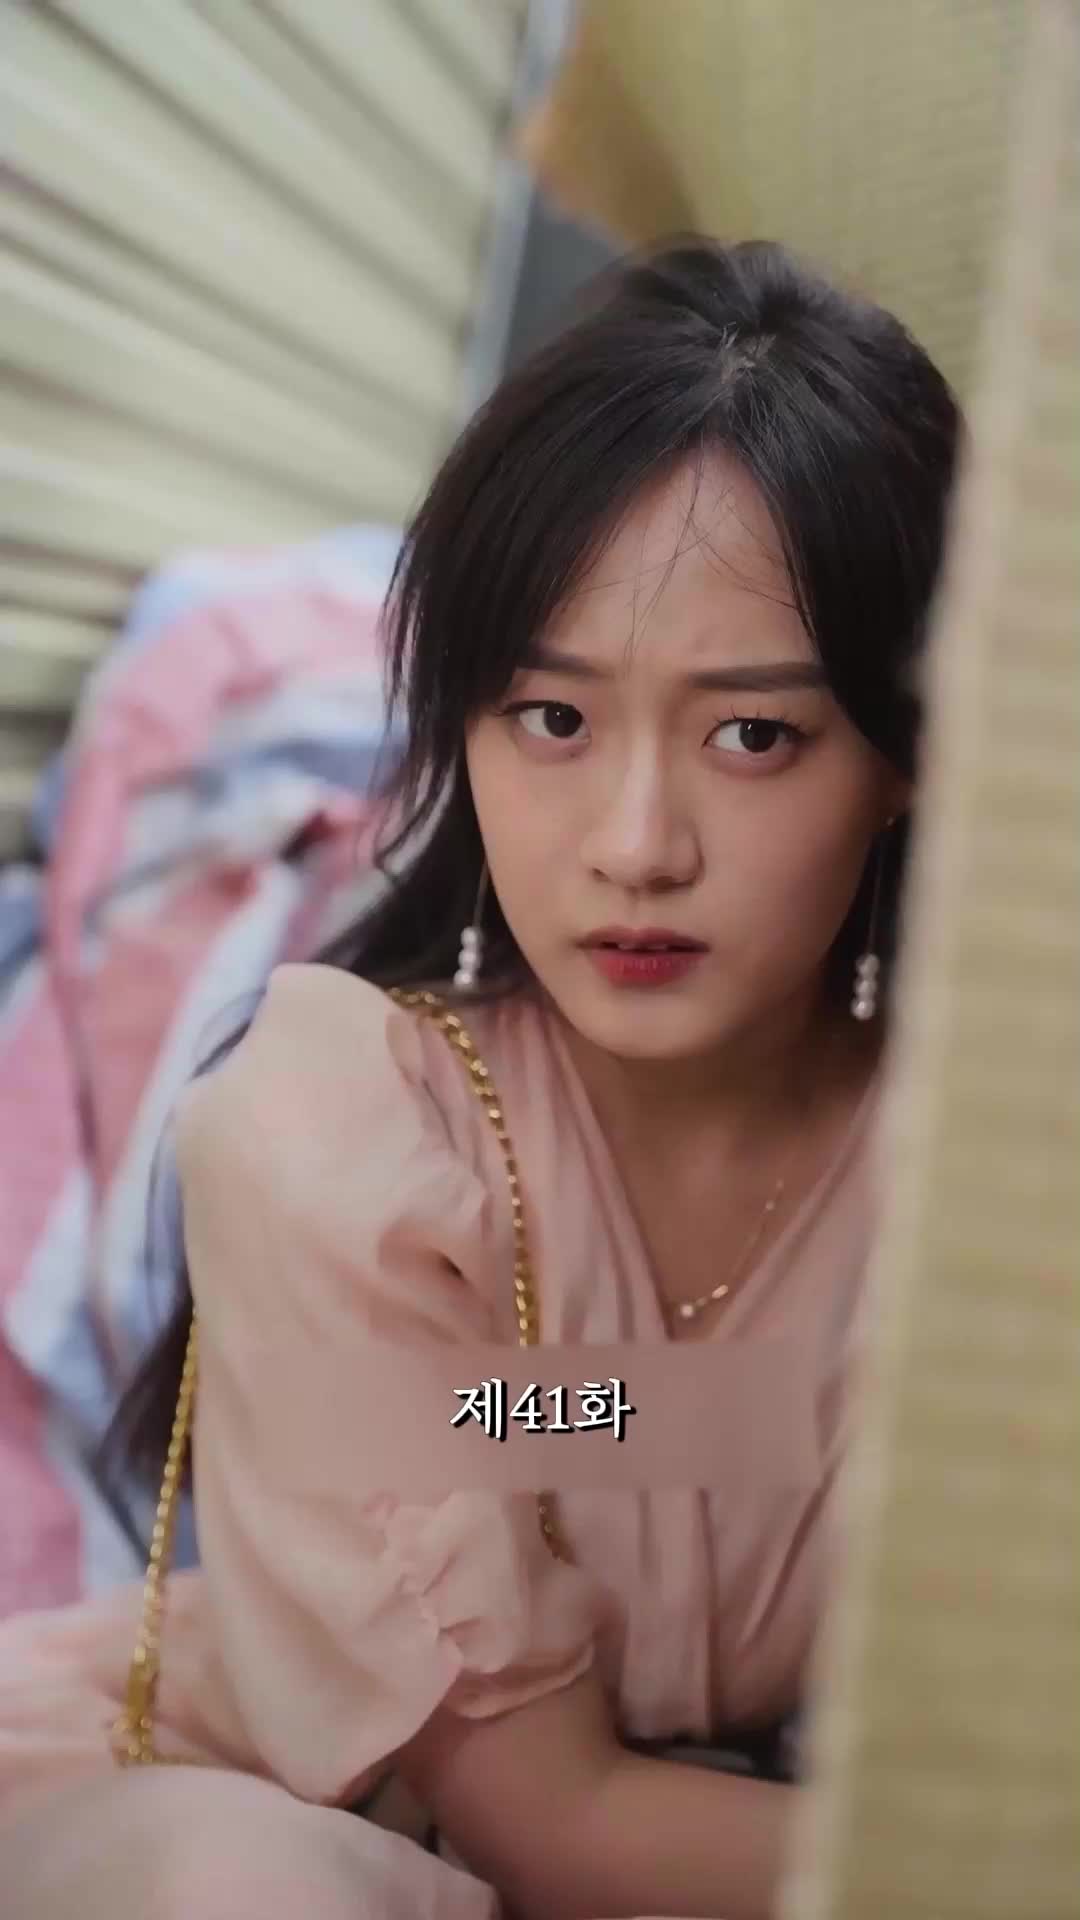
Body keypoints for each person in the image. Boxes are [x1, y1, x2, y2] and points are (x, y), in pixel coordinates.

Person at [0, 238, 959, 1920]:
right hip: (260, 1811)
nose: (636, 848)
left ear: (905, 757)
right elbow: (554, 1826)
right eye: (551, 719)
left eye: (753, 734)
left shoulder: (974, 1154)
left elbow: (662, 1422)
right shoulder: (338, 1145)